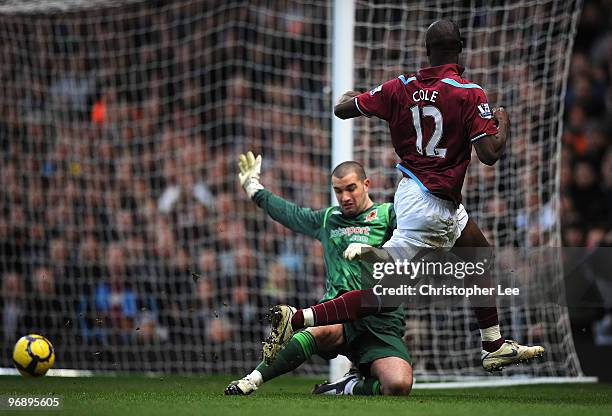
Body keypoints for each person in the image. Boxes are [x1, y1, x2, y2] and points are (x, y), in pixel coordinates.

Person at [263, 20, 544, 373]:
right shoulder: (470, 92)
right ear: (461, 47)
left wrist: (352, 96)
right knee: (381, 294)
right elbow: (488, 154)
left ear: (426, 51)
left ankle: (494, 343)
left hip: (416, 192)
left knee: (478, 251)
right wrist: (502, 122)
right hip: (432, 202)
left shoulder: (400, 87)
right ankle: (301, 317)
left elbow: (343, 109)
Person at [225, 152, 412, 396]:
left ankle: (348, 386)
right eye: (338, 191)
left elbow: (413, 238)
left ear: (367, 185)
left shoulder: (388, 215)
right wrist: (254, 188)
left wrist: (374, 252)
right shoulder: (328, 219)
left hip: (381, 321)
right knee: (319, 329)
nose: (344, 197)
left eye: (351, 189)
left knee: (398, 386)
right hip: (338, 314)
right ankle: (251, 379)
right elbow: (290, 214)